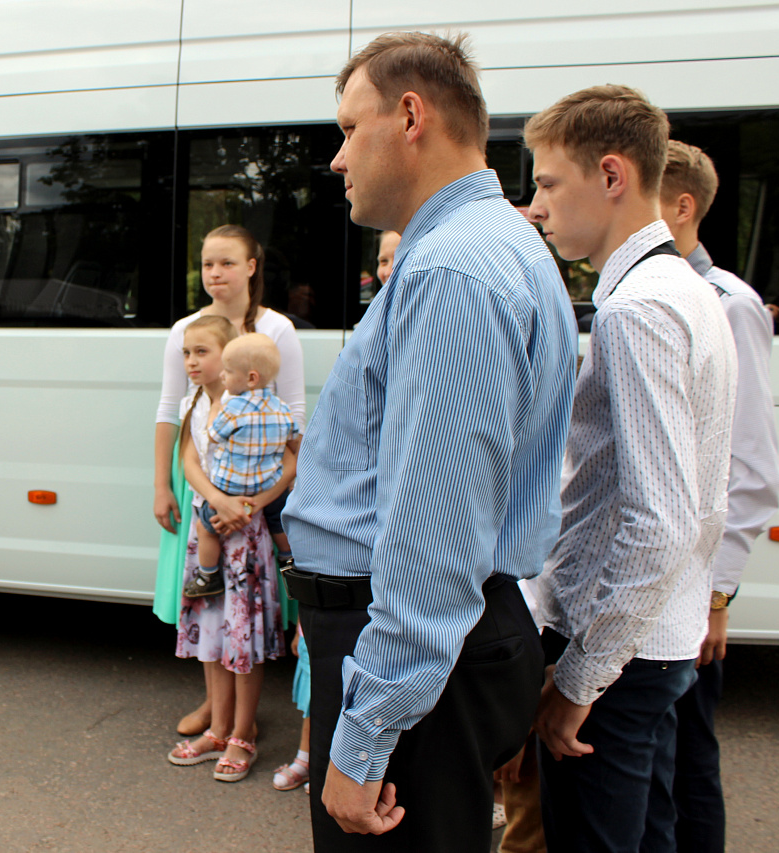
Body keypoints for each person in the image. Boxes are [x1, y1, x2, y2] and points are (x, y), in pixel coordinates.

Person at [282, 32, 577, 851]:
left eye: (347, 128)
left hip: (417, 661)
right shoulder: (489, 246)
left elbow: (433, 538)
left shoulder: (454, 267)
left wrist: (366, 732)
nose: (337, 159)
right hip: (441, 650)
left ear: (410, 114)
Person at [524, 86, 738, 853]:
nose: (537, 205)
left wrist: (580, 679)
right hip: (653, 638)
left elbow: (661, 518)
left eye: (547, 182)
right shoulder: (685, 288)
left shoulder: (637, 308)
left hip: (617, 651)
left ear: (610, 175)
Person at [660, 139, 779, 853]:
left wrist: (716, 596)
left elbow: (752, 463)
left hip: (687, 587)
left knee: (686, 763)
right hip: (650, 586)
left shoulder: (726, 304)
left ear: (681, 207)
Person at [152, 224, 306, 737]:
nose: (215, 273)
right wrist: (161, 484)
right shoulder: (187, 330)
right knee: (208, 598)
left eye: (226, 263)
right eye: (207, 264)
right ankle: (216, 710)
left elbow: (295, 416)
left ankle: (238, 720)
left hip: (259, 491)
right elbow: (173, 413)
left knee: (244, 604)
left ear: (252, 267)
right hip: (207, 488)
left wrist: (266, 499)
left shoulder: (276, 329)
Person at [167, 315, 291, 783]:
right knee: (214, 630)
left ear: (231, 357)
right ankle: (217, 729)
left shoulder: (259, 405)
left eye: (202, 352)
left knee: (245, 636)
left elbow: (293, 458)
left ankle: (243, 734)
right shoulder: (194, 402)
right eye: (186, 353)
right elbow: (188, 460)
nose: (192, 362)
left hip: (246, 532)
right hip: (210, 530)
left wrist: (254, 503)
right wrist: (219, 501)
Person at [186, 332, 298, 598]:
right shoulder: (281, 407)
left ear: (250, 378)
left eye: (228, 371)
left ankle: (208, 576)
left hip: (230, 488)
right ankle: (290, 562)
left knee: (206, 527)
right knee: (278, 522)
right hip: (269, 486)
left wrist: (215, 416)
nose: (223, 376)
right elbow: (291, 436)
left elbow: (212, 437)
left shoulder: (232, 407)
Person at [272, 619, 313, 793]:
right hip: (312, 625)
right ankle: (306, 758)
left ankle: (335, 767)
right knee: (314, 693)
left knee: (339, 693)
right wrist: (299, 629)